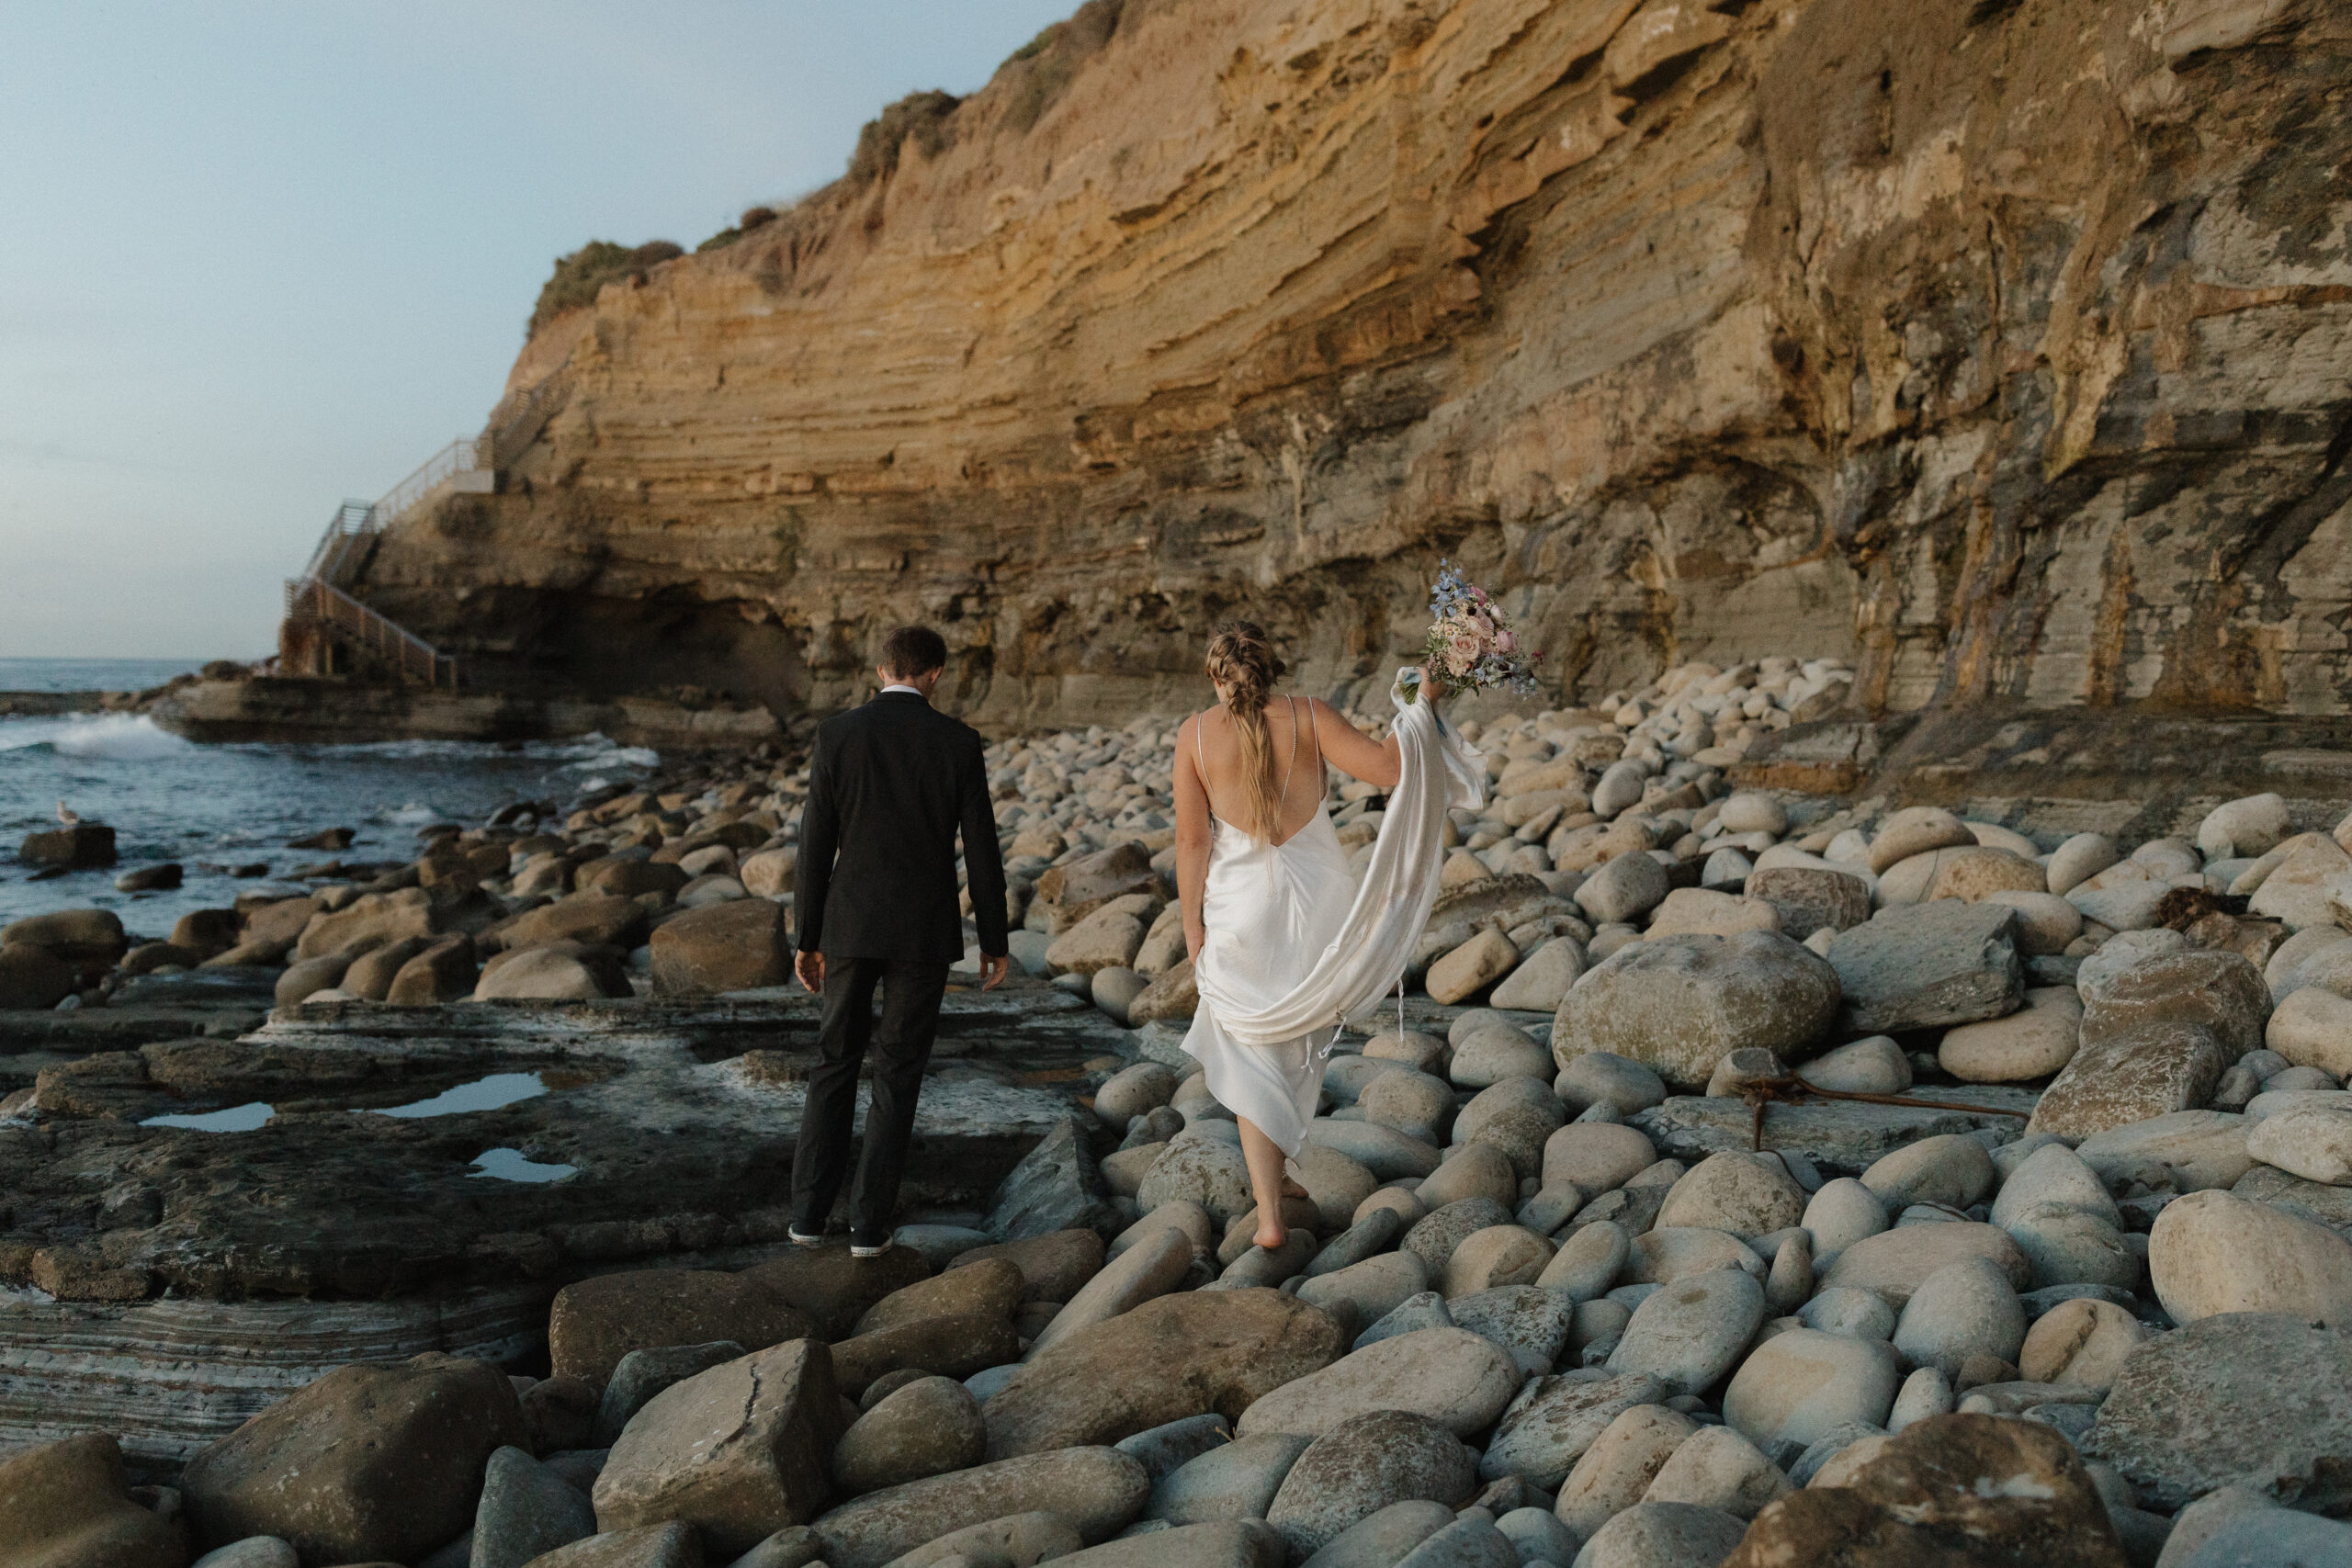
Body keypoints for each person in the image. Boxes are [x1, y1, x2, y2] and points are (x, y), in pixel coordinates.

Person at [1175, 621, 1451, 1250]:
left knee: (1249, 1048)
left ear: (1217, 677)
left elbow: (1193, 842)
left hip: (1243, 909)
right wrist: (1418, 702)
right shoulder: (1309, 714)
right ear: (1272, 668)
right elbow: (1387, 769)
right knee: (1297, 1032)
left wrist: (1191, 923)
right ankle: (1285, 1164)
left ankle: (1269, 1211)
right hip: (1318, 906)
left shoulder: (1193, 735)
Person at [791, 625, 1011, 1256]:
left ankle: (806, 1217)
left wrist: (807, 935)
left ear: (881, 670)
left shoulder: (837, 734)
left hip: (849, 924)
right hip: (921, 930)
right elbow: (982, 848)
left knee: (833, 1063)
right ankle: (868, 1226)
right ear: (934, 673)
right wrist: (992, 939)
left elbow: (815, 842)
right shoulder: (958, 742)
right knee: (897, 1072)